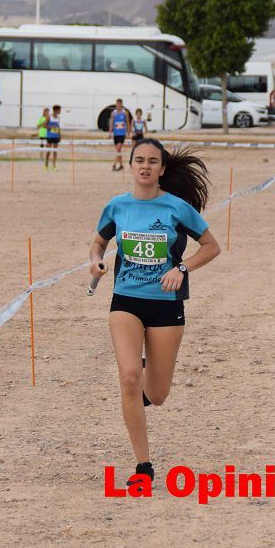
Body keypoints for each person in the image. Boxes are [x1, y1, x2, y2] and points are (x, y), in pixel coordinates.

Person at [89, 139, 220, 488]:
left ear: (162, 169)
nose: (145, 166)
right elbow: (99, 241)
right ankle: (143, 466)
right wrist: (96, 260)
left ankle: (145, 377)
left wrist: (182, 268)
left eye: (152, 162)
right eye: (139, 160)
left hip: (166, 305)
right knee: (129, 377)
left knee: (158, 395)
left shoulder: (177, 208)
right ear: (130, 166)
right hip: (126, 301)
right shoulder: (117, 207)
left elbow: (211, 246)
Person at [110, 99, 130, 171]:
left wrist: (128, 131)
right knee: (118, 150)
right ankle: (121, 165)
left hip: (122, 134)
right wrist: (110, 132)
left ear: (121, 104)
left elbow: (127, 122)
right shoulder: (113, 113)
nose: (118, 105)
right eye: (117, 104)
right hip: (116, 134)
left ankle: (114, 164)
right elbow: (111, 122)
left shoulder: (125, 113)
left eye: (120, 104)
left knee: (118, 149)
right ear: (116, 104)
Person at [44, 105, 61, 170]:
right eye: (59, 110)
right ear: (56, 110)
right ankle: (46, 165)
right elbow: (44, 125)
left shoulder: (58, 117)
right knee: (48, 151)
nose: (60, 111)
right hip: (50, 136)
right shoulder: (49, 117)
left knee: (55, 151)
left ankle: (54, 165)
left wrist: (59, 135)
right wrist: (51, 127)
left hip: (56, 136)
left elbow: (58, 127)